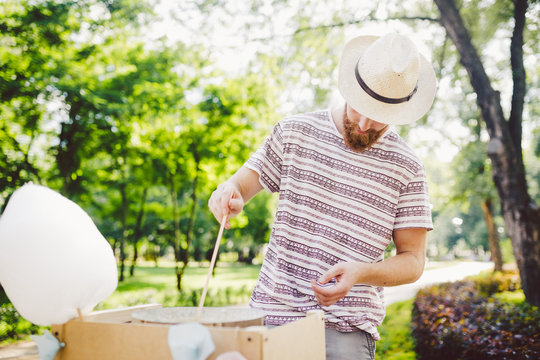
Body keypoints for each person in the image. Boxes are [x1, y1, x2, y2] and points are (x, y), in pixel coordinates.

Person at [208, 32, 437, 360]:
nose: (363, 122)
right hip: (272, 316)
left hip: (347, 329)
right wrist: (227, 194)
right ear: (350, 88)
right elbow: (238, 186)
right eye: (360, 106)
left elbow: (413, 261)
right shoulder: (294, 132)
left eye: (380, 114)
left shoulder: (408, 167)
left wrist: (361, 272)